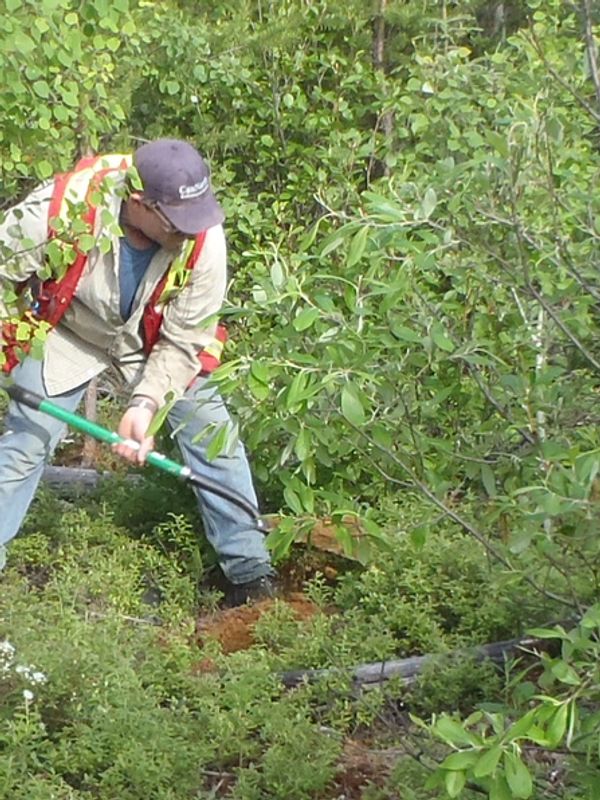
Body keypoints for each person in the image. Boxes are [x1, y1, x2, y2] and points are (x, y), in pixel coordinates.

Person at [0, 138, 275, 606]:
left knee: (212, 435)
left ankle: (251, 576)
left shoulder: (203, 238)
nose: (191, 232)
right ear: (138, 202)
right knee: (25, 443)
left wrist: (144, 405)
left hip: (153, 339)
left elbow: (186, 340)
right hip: (69, 330)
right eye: (176, 221)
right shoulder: (61, 208)